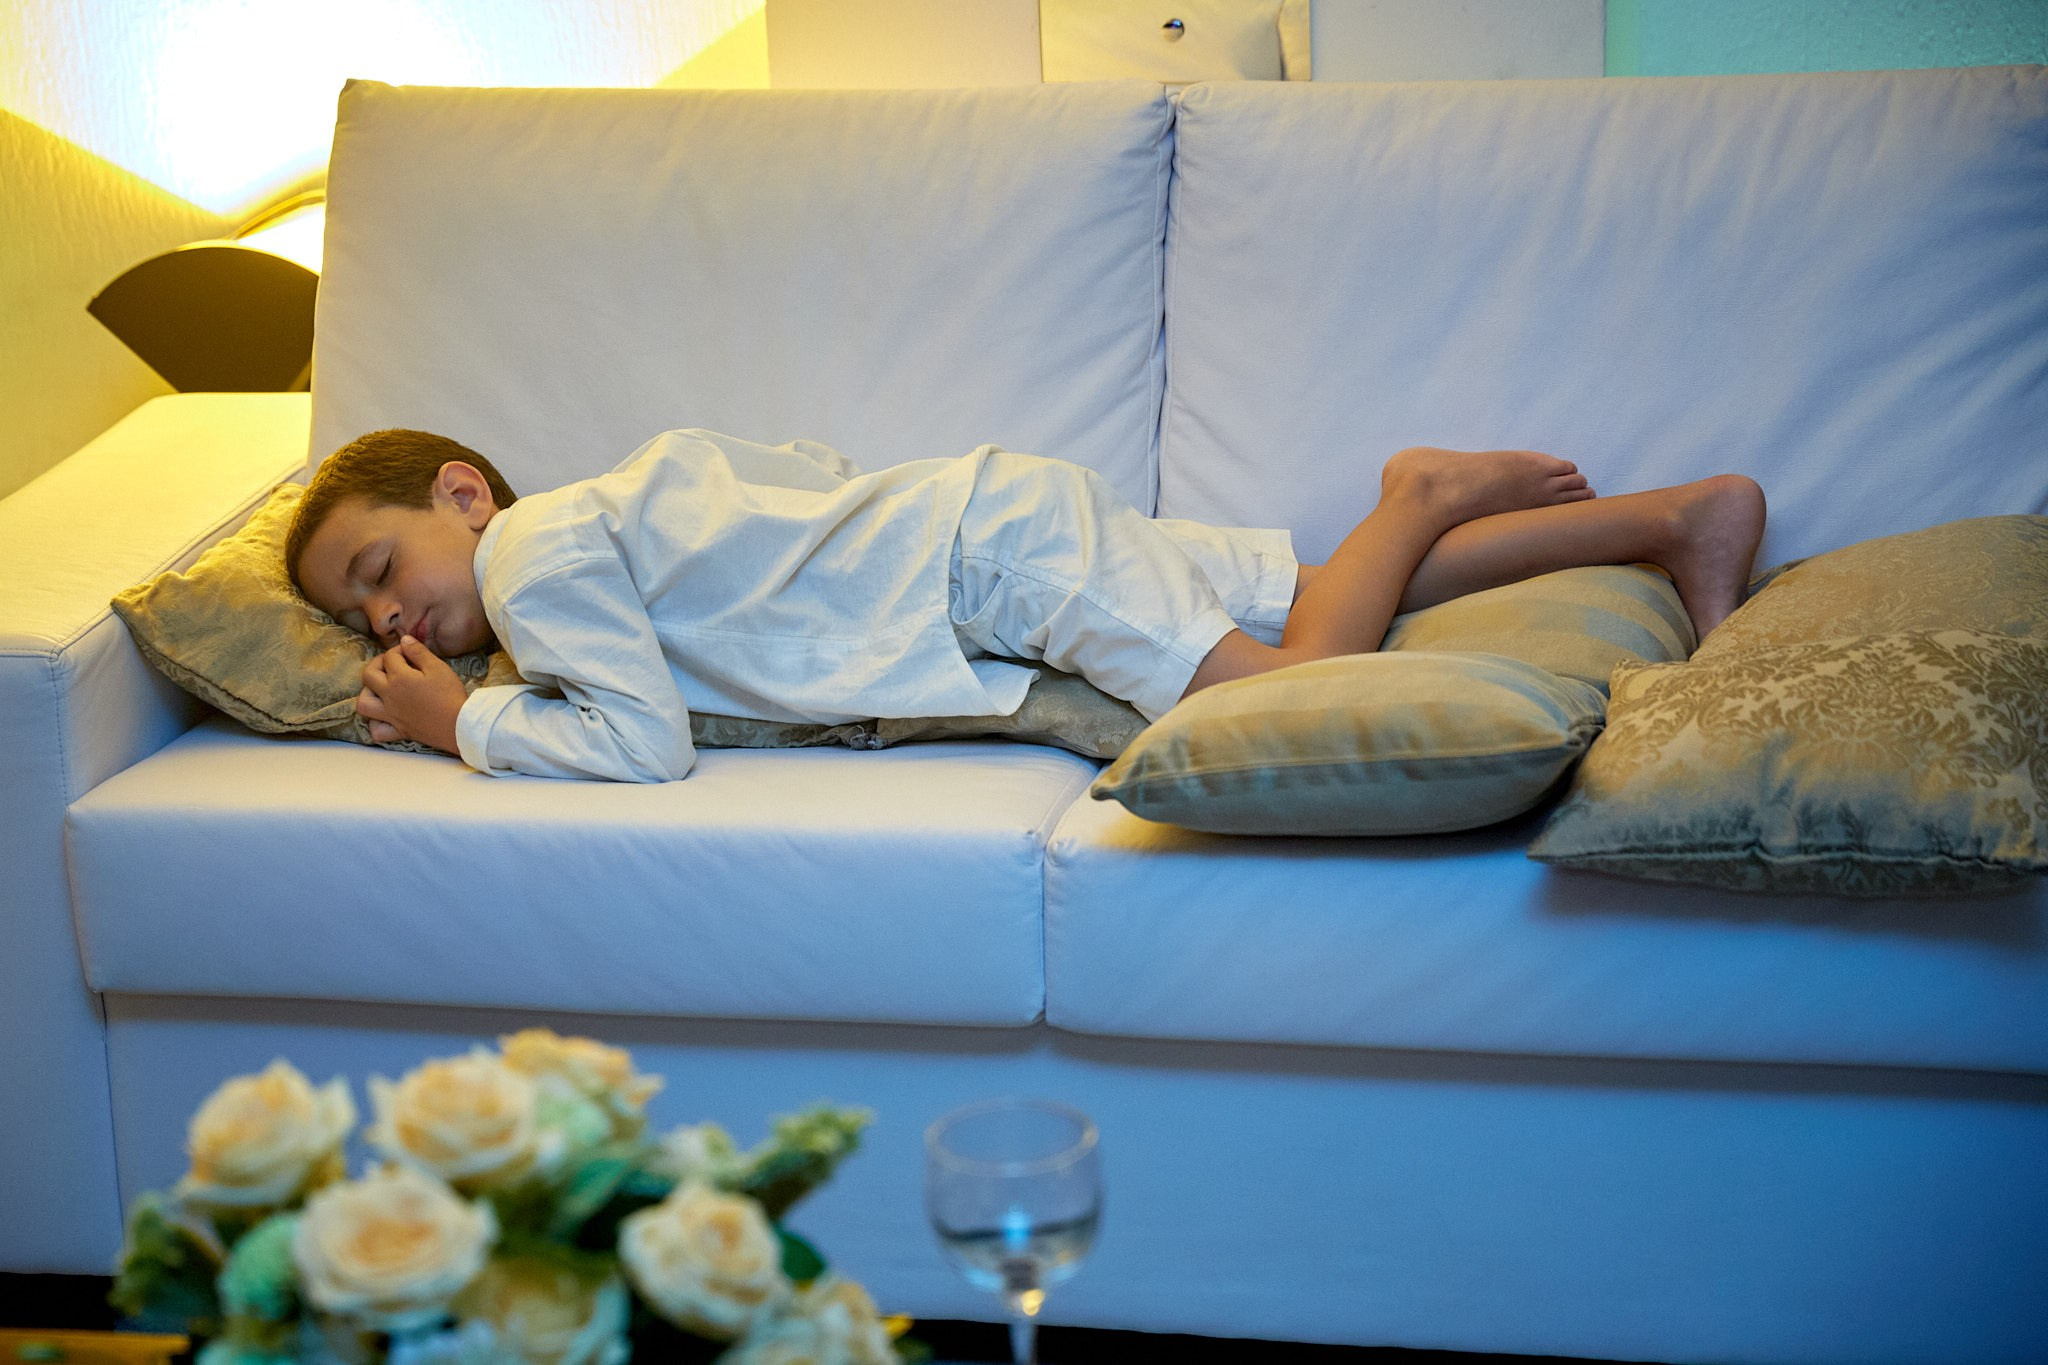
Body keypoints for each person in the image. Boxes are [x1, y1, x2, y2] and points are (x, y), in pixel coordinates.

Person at [287, 427, 1765, 782]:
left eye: (379, 570)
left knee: (1282, 680)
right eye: (362, 617)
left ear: (466, 495)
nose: (388, 623)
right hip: (988, 528)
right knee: (1333, 608)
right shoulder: (621, 503)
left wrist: (464, 723)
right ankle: (1676, 519)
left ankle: (1421, 492)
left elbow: (644, 739)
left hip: (988, 559)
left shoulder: (536, 558)